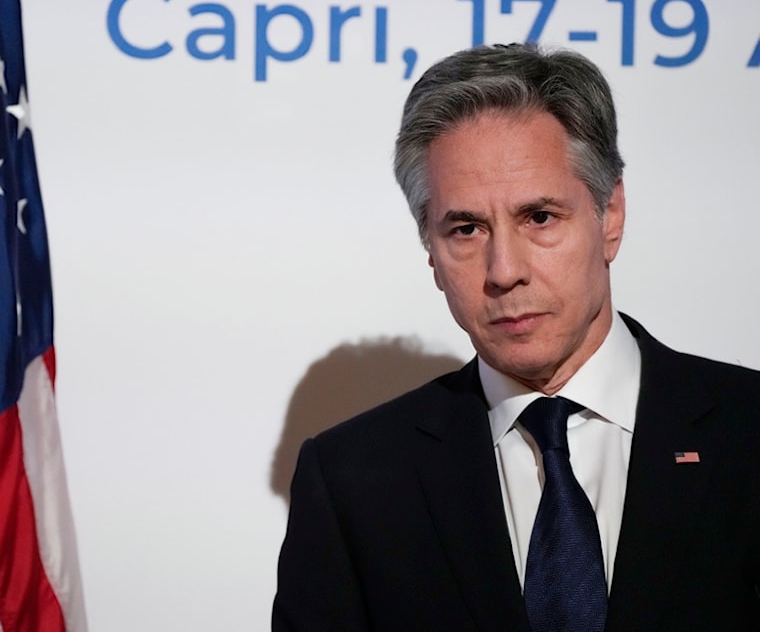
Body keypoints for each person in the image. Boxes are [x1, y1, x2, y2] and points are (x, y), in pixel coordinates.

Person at [272, 43, 760, 630]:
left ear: (611, 216)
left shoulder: (749, 430)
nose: (504, 270)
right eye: (466, 228)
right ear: (430, 248)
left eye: (539, 217)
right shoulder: (354, 480)